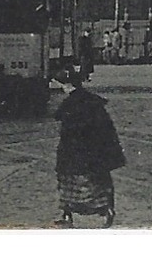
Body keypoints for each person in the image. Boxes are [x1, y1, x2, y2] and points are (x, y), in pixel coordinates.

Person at [52, 68, 125, 228]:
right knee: (98, 181)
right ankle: (106, 210)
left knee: (70, 182)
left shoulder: (71, 102)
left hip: (76, 152)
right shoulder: (90, 100)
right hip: (95, 152)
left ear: (68, 85)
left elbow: (68, 128)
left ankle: (68, 214)